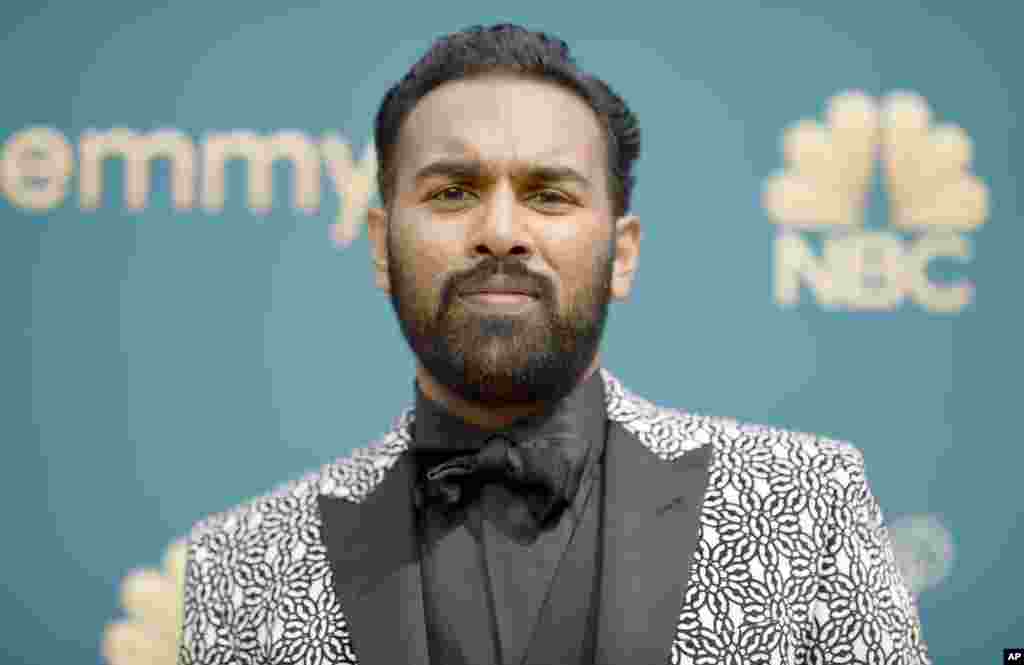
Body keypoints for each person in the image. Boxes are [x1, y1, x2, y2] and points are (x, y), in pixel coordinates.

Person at [178, 23, 931, 665]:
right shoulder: (241, 565)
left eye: (548, 194)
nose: (501, 232)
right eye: (451, 192)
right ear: (380, 245)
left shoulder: (807, 506)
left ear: (623, 252)